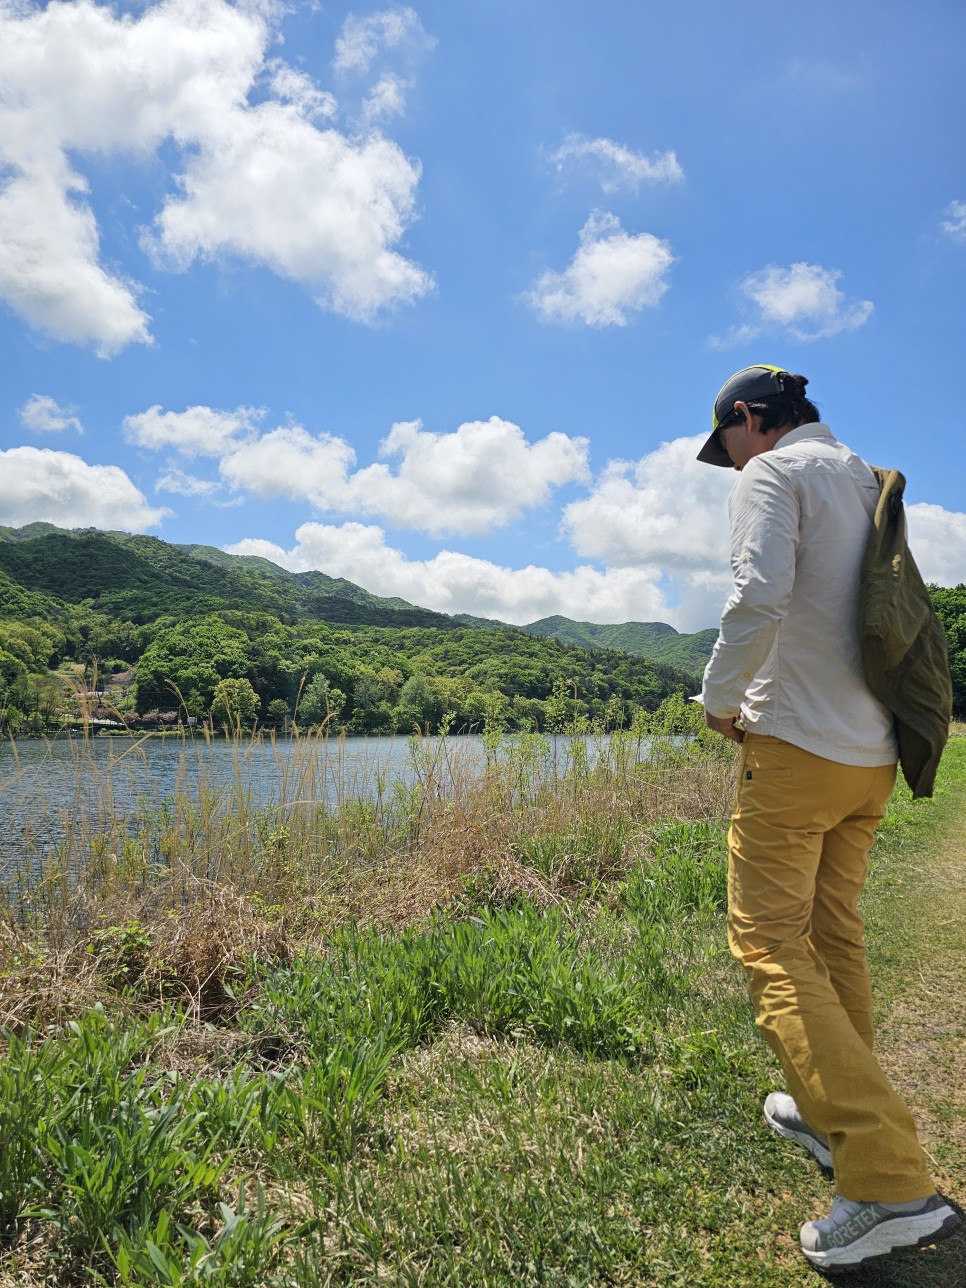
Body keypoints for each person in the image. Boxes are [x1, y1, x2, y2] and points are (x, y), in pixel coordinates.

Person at [696, 365, 961, 1271]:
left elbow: (759, 595)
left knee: (768, 943)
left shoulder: (774, 476)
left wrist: (720, 698)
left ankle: (888, 1183)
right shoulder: (861, 476)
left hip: (799, 746)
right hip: (870, 758)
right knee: (830, 930)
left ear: (748, 421)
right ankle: (826, 1114)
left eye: (726, 446)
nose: (730, 466)